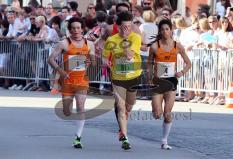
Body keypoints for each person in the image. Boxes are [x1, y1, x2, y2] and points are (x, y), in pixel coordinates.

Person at [48, 17, 95, 149]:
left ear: (82, 29)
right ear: (70, 29)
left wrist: (91, 61)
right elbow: (50, 59)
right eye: (73, 28)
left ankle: (78, 137)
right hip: (67, 81)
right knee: (67, 111)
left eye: (78, 28)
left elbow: (93, 62)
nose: (76, 30)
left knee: (80, 107)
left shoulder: (89, 44)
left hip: (81, 80)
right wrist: (60, 71)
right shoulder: (64, 43)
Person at [147, 19, 191, 150]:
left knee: (167, 112)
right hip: (158, 82)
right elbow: (149, 63)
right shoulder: (155, 46)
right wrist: (149, 78)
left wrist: (182, 72)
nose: (165, 32)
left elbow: (188, 63)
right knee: (157, 114)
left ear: (171, 30)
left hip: (171, 82)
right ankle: (155, 108)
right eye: (163, 29)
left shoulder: (178, 46)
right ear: (160, 31)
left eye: (167, 29)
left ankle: (164, 141)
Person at [102, 11, 142, 150]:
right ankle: (124, 136)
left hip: (133, 75)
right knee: (121, 106)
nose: (127, 29)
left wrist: (125, 42)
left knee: (129, 106)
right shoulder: (111, 40)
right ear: (118, 26)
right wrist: (105, 61)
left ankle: (122, 126)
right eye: (124, 27)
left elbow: (130, 55)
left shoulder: (136, 38)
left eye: (129, 26)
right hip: (117, 77)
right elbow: (105, 56)